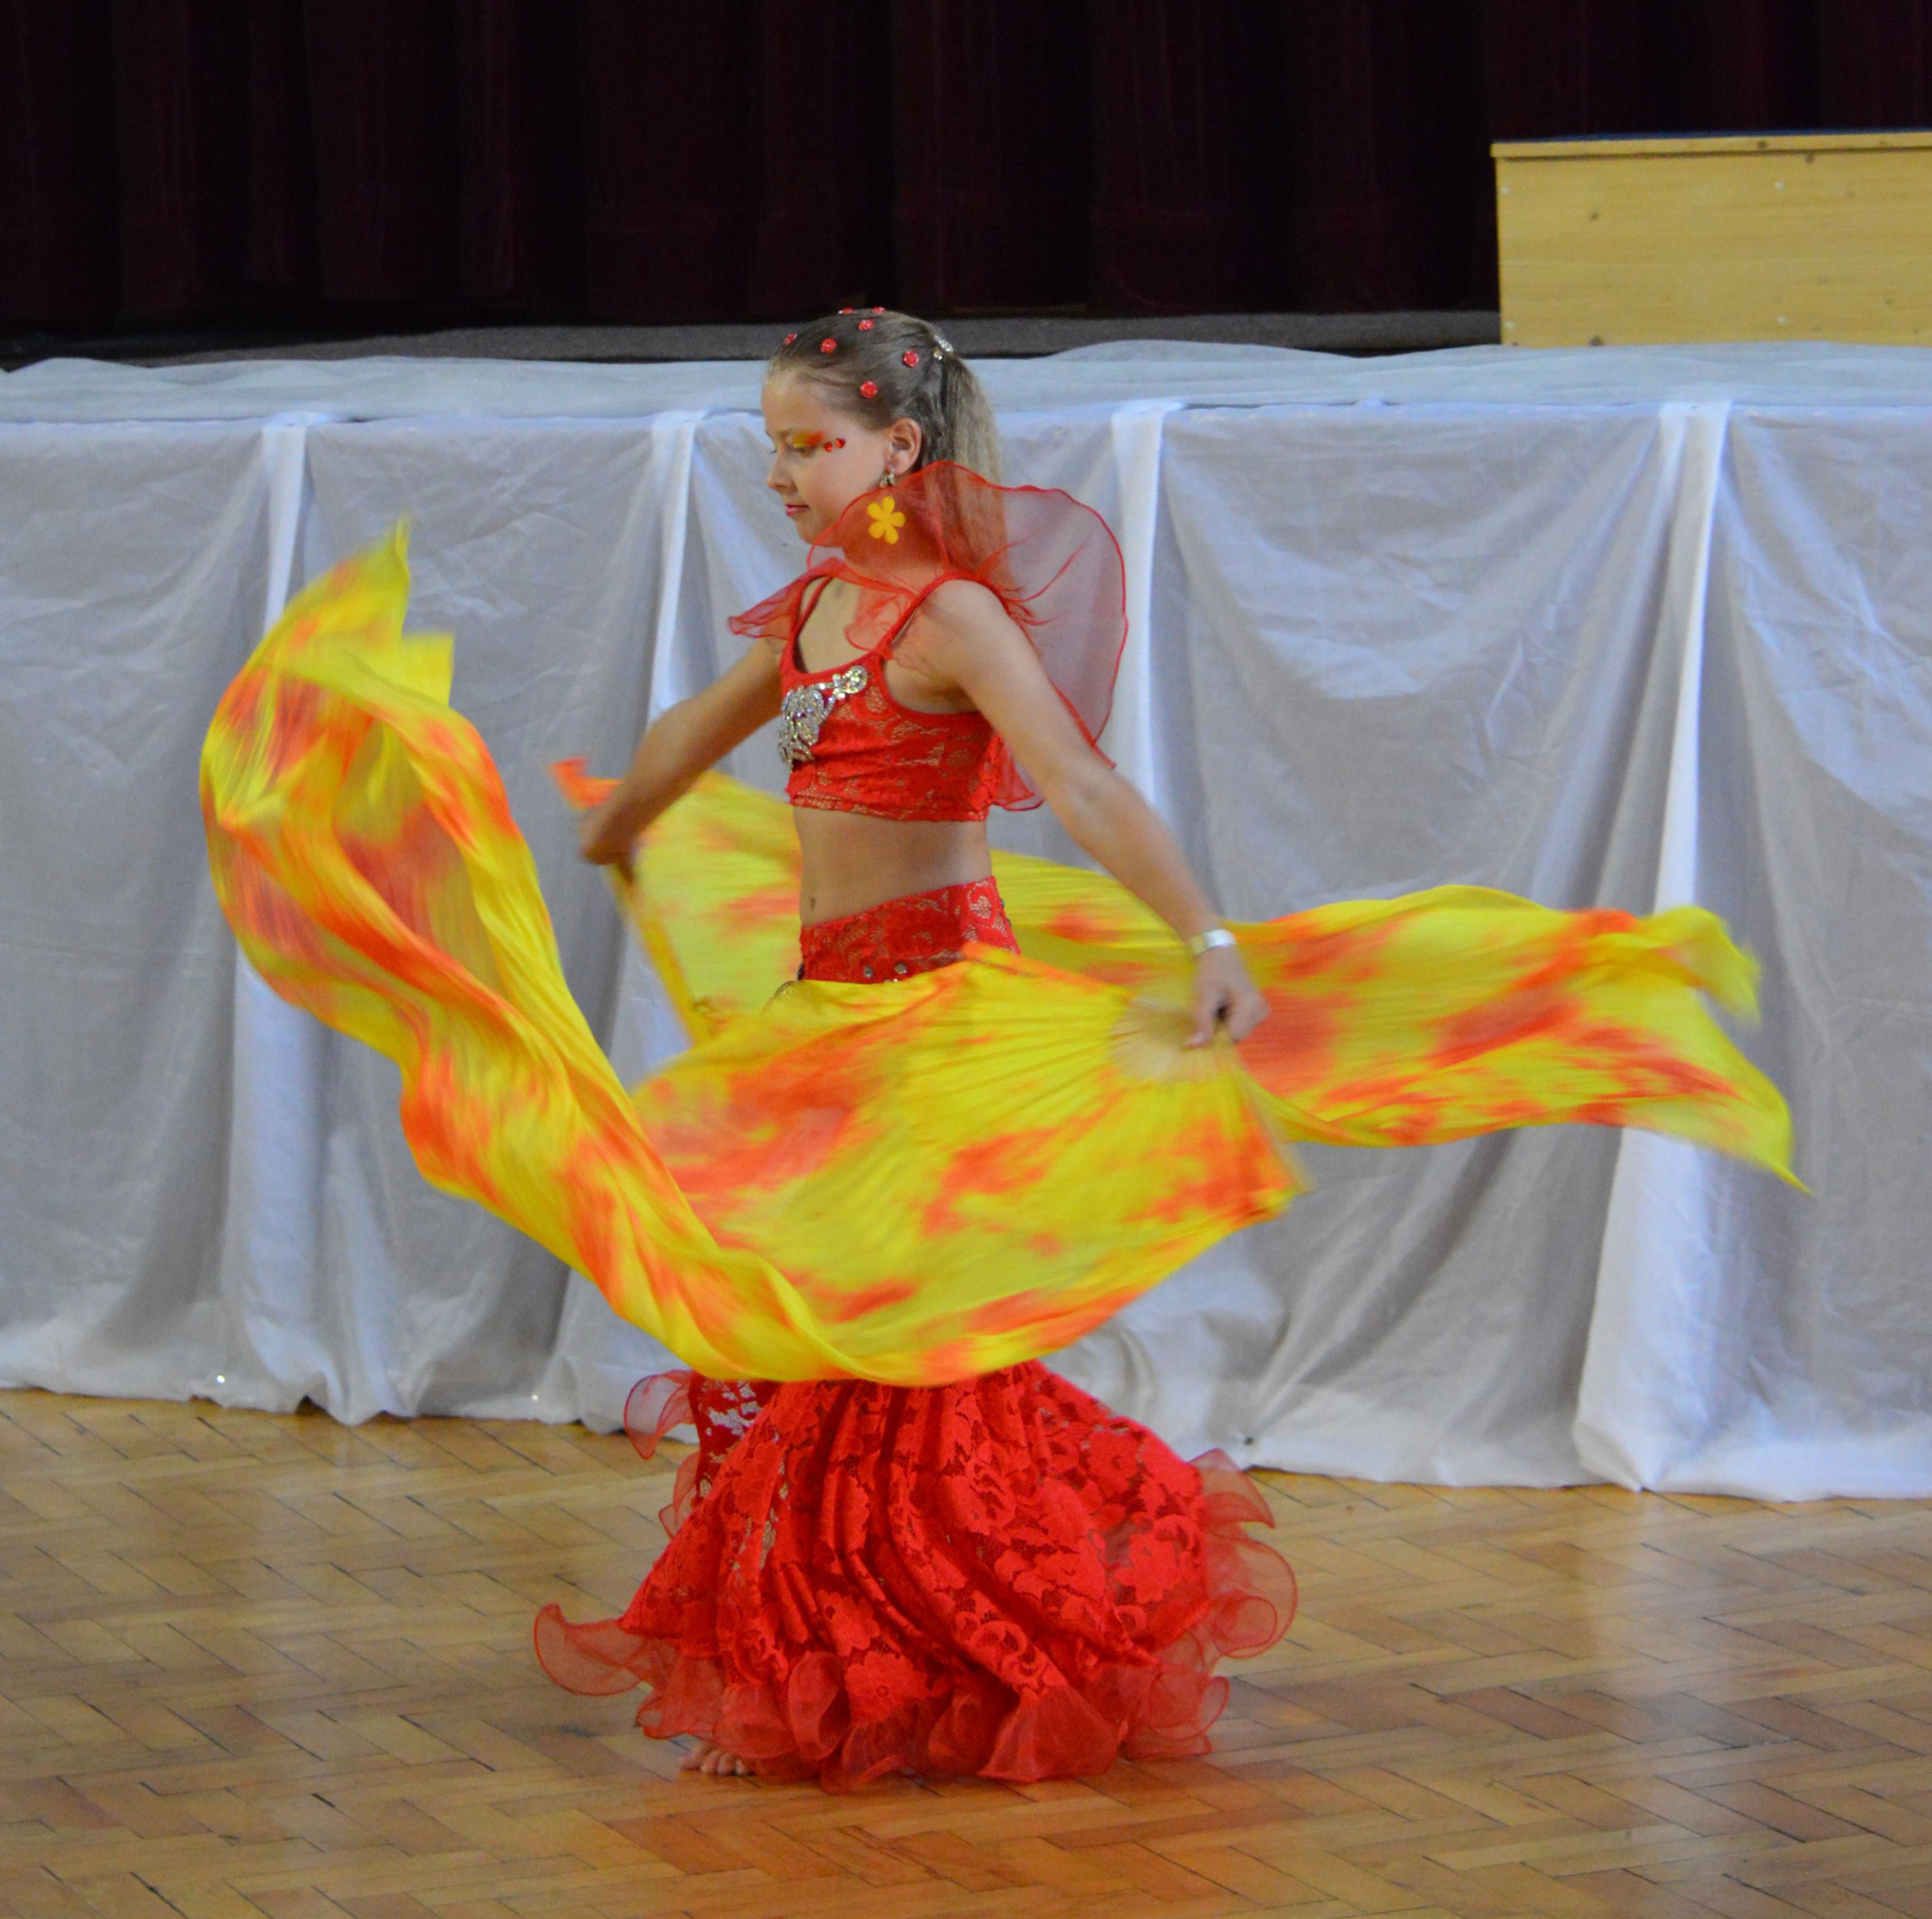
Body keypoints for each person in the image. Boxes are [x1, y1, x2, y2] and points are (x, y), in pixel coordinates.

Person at [199, 310, 1790, 1793]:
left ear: (899, 451)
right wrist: (627, 813)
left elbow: (1083, 788)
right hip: (824, 1015)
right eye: (770, 445)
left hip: (944, 1014)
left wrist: (1205, 942)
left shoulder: (950, 613)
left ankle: (966, 1654)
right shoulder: (815, 603)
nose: (780, 472)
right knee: (798, 1319)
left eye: (808, 446)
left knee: (902, 1342)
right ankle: (848, 1651)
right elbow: (704, 715)